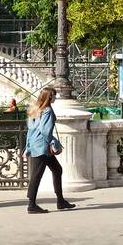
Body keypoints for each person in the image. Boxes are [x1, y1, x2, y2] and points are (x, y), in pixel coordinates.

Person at [26, 86, 75, 214]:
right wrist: (54, 142)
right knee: (37, 175)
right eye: (54, 95)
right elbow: (45, 131)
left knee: (56, 170)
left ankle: (60, 201)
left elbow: (30, 131)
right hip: (42, 146)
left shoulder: (35, 109)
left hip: (36, 145)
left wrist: (28, 146)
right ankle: (32, 204)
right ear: (49, 97)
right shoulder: (47, 110)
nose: (55, 97)